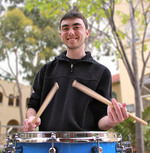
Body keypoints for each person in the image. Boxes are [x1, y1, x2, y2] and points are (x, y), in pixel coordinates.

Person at [22, 10, 128, 132]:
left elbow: (101, 118)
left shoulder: (101, 72)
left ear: (87, 33)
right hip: (49, 145)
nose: (71, 32)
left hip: (85, 146)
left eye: (76, 27)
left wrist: (111, 121)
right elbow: (33, 106)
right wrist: (30, 118)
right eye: (65, 28)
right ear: (61, 34)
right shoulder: (47, 70)